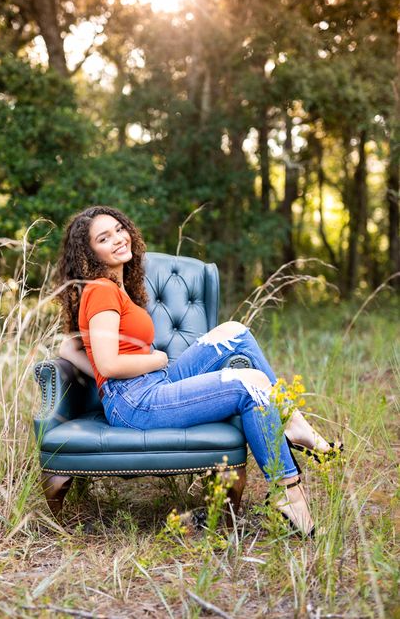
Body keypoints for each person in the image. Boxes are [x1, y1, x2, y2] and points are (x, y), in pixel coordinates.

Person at [56, 205, 340, 537]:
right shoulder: (102, 290)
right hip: (136, 402)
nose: (118, 239)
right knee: (249, 384)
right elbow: (109, 364)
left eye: (119, 229)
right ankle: (288, 492)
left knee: (234, 332)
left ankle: (291, 421)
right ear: (90, 253)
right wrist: (155, 361)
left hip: (150, 387)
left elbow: (68, 347)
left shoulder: (117, 289)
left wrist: (125, 372)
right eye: (104, 238)